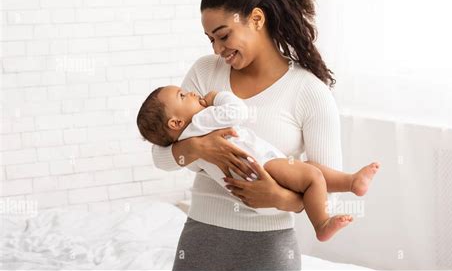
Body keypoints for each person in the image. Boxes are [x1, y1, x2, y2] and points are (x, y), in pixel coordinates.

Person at [151, 0, 357, 271]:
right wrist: (199, 149)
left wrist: (277, 197)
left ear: (257, 19)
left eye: (223, 35)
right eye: (211, 40)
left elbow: (329, 197)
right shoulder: (205, 73)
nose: (218, 49)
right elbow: (161, 155)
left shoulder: (309, 93)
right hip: (202, 239)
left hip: (270, 248)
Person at [138, 85, 380, 241]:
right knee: (313, 176)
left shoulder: (186, 139)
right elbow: (237, 111)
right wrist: (217, 97)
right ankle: (322, 221)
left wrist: (279, 198)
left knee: (310, 172)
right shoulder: (203, 118)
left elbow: (169, 156)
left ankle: (350, 183)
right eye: (182, 95)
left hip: (251, 187)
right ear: (175, 123)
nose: (190, 92)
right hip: (264, 166)